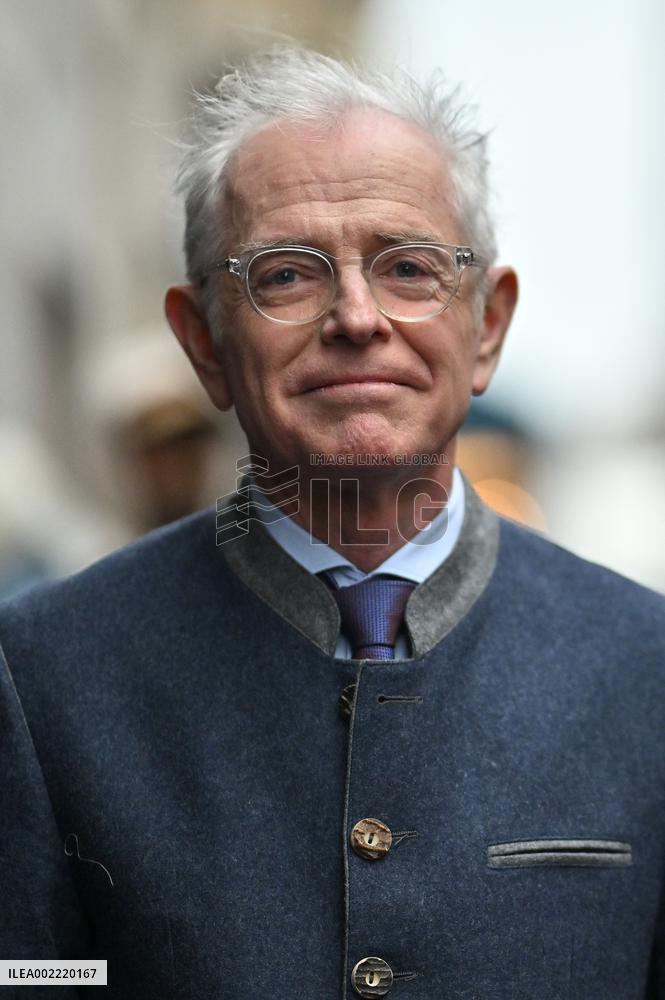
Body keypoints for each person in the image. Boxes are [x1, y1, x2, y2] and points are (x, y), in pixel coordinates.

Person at [1, 46, 664, 1000]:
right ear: (204, 344)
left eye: (408, 267)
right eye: (286, 275)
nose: (357, 316)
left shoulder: (641, 667)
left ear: (486, 326)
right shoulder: (44, 674)